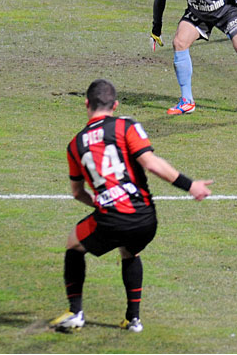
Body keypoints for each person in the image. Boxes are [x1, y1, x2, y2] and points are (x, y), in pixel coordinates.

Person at [50, 79, 212, 333]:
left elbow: (76, 192)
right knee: (130, 251)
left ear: (86, 104)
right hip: (146, 219)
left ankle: (75, 312)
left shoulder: (75, 144)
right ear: (114, 104)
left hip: (112, 219)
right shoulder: (126, 126)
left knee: (73, 244)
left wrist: (101, 203)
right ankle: (133, 319)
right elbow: (151, 163)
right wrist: (190, 186)